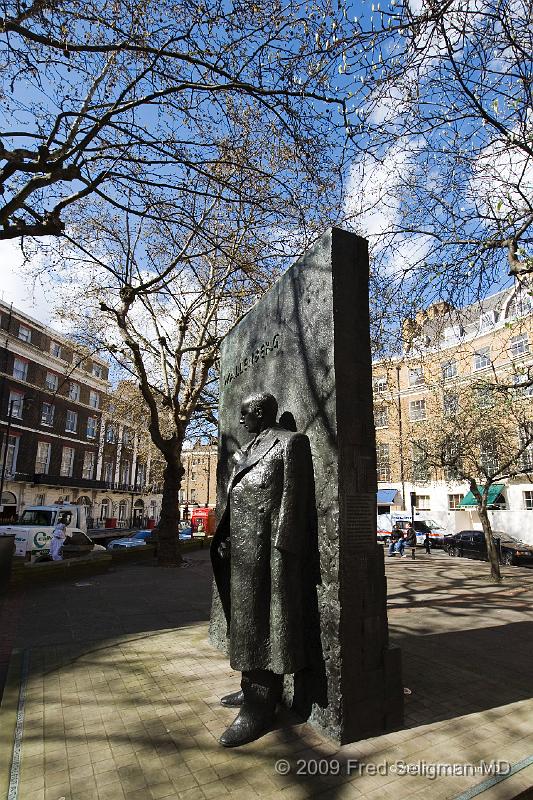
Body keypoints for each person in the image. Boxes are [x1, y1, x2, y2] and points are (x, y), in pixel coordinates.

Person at [211, 392, 318, 748]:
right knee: (244, 624)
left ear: (259, 413)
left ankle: (261, 705)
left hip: (270, 555)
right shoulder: (249, 448)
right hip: (242, 552)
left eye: (244, 414)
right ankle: (250, 686)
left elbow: (295, 502)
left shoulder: (290, 444)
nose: (239, 421)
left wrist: (283, 555)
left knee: (261, 625)